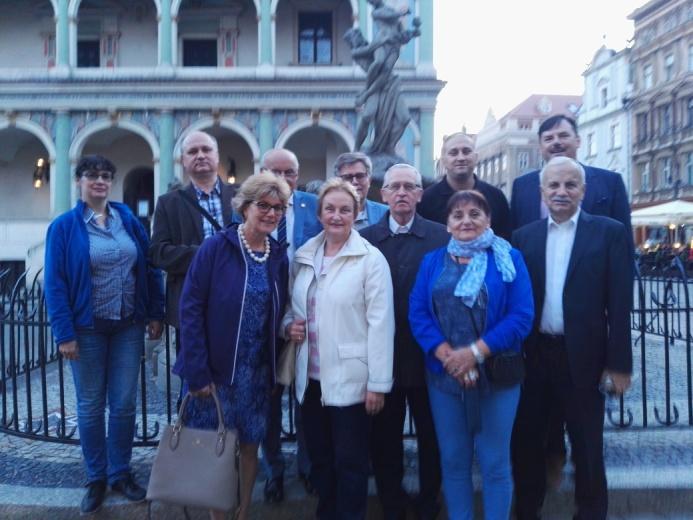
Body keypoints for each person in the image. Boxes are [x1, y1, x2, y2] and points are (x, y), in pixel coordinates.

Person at [509, 114, 634, 486]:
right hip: (535, 350)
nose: (561, 191)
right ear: (542, 191)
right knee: (530, 441)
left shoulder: (608, 212)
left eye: (563, 135)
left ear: (582, 188)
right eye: (548, 137)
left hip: (585, 347)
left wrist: (619, 362)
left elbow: (621, 295)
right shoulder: (523, 229)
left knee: (588, 447)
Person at [44, 155, 165, 515]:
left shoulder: (127, 219)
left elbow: (148, 267)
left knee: (124, 403)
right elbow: (55, 284)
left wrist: (155, 311)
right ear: (79, 181)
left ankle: (120, 472)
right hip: (87, 329)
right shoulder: (65, 227)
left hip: (127, 324)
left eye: (106, 176)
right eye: (92, 175)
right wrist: (64, 334)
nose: (99, 181)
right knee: (91, 405)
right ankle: (96, 477)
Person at [409, 190, 534, 520]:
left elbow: (521, 316)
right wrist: (448, 355)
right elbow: (418, 312)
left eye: (474, 214)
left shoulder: (509, 258)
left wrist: (475, 353)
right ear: (447, 224)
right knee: (453, 460)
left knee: (494, 462)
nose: (466, 220)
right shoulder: (433, 261)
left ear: (488, 220)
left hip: (496, 377)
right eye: (458, 215)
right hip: (444, 375)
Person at [174, 173, 290, 520]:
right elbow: (190, 308)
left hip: (255, 374)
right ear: (244, 206)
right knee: (218, 451)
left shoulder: (277, 256)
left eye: (279, 208)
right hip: (216, 371)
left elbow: (280, 311)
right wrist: (197, 371)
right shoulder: (217, 247)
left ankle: (242, 513)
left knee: (250, 446)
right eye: (264, 205)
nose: (271, 213)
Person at [284, 178, 395, 520]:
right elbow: (291, 306)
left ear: (356, 213)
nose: (336, 216)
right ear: (319, 214)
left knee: (351, 463)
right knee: (321, 460)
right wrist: (288, 325)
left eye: (345, 210)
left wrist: (379, 383)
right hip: (311, 377)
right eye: (329, 209)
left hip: (351, 379)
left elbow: (381, 324)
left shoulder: (370, 260)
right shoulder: (303, 257)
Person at [361, 164, 448, 520]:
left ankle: (429, 502)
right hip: (384, 357)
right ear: (382, 194)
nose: (401, 193)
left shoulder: (441, 236)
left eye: (409, 187)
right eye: (394, 187)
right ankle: (392, 504)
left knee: (432, 436)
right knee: (384, 440)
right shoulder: (365, 238)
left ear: (419, 194)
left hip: (430, 356)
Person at [258, 148, 322, 503]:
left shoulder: (313, 205)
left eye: (290, 172)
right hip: (264, 319)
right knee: (269, 401)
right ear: (262, 172)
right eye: (274, 171)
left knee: (306, 399)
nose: (283, 179)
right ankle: (273, 472)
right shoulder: (252, 209)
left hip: (304, 317)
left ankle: (308, 467)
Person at [149, 130, 236, 332]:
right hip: (191, 305)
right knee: (193, 363)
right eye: (193, 151)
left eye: (206, 150)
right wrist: (204, 253)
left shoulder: (242, 196)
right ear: (183, 160)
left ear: (217, 156)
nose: (200, 155)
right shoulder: (168, 203)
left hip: (236, 301)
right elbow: (158, 253)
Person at [419, 133, 511, 239]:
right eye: (454, 153)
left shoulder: (496, 197)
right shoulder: (427, 199)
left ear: (476, 157)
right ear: (443, 160)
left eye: (466, 151)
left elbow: (506, 240)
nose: (461, 157)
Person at [333, 152, 388, 229]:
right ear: (338, 182)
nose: (355, 182)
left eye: (360, 176)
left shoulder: (386, 214)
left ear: (369, 180)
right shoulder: (328, 216)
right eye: (348, 177)